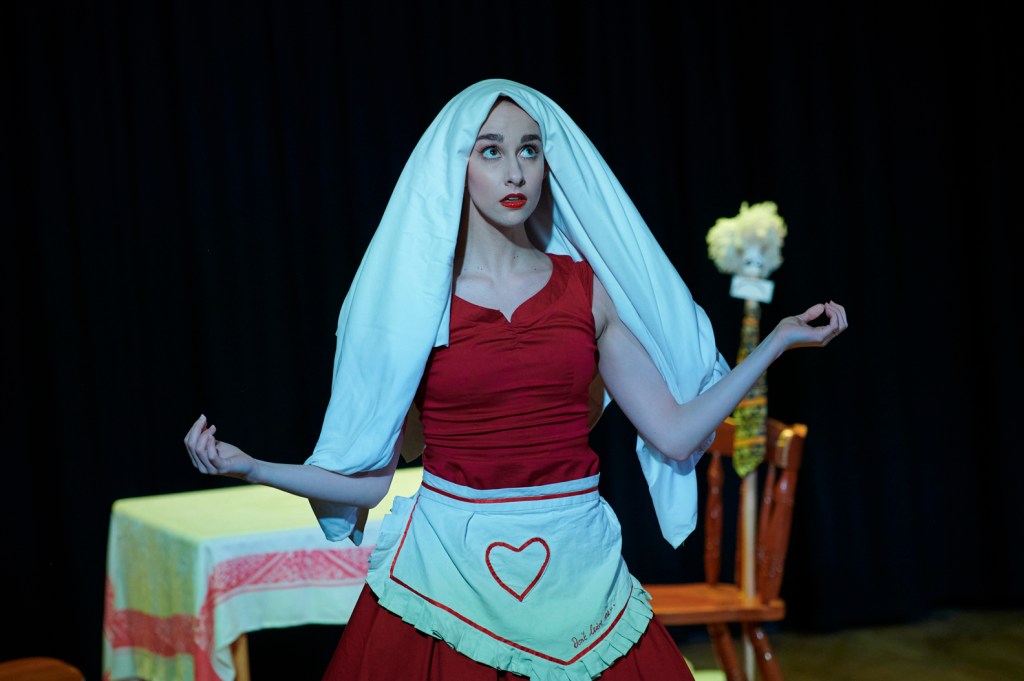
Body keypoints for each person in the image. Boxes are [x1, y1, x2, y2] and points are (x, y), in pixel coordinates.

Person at [184, 79, 847, 680]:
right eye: (491, 151)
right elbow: (370, 482)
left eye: (529, 150)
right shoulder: (418, 306)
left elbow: (674, 434)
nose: (515, 171)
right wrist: (252, 466)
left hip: (579, 566)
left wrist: (777, 342)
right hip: (447, 574)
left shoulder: (586, 290)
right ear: (457, 165)